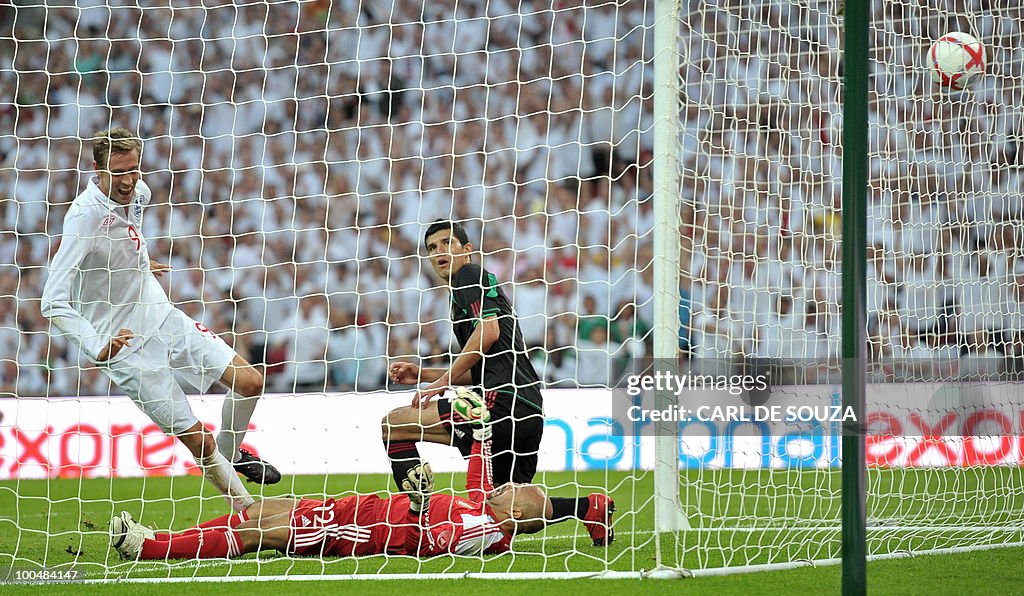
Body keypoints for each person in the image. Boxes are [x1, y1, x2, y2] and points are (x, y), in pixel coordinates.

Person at [41, 128, 280, 514]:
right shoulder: (82, 218)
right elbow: (52, 301)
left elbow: (125, 240)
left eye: (134, 169)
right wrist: (96, 345)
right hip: (126, 348)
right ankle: (248, 512)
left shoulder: (140, 193)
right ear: (97, 170)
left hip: (161, 315)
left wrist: (135, 266)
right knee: (199, 442)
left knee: (251, 381)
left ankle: (231, 454)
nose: (129, 181)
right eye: (119, 173)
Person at [384, 220, 614, 546]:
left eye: (447, 243)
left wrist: (443, 382)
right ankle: (589, 508)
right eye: (432, 248)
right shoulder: (467, 293)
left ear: (467, 250)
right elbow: (481, 364)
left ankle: (417, 513)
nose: (439, 252)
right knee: (507, 510)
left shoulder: (469, 275)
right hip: (528, 407)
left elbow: (488, 333)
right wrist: (424, 375)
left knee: (392, 426)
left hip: (499, 404)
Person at [109, 463, 550, 561]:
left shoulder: (481, 530)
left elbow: (430, 544)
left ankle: (147, 548)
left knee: (260, 534)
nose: (510, 484)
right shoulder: (485, 508)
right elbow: (481, 478)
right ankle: (160, 536)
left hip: (365, 531)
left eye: (518, 490)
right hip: (364, 508)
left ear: (517, 512)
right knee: (259, 511)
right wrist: (477, 431)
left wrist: (417, 505)